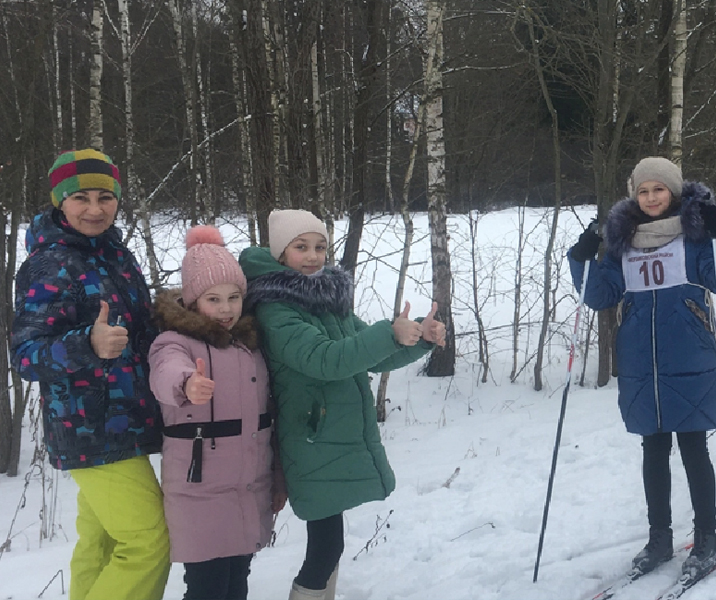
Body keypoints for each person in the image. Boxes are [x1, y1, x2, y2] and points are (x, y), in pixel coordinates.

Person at [239, 209, 447, 600]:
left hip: (329, 439)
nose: (314, 256)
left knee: (328, 544)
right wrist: (390, 333)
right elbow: (328, 359)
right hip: (309, 439)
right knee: (326, 546)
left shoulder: (327, 301)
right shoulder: (275, 310)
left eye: (320, 246)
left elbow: (372, 355)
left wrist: (416, 336)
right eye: (301, 247)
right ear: (280, 253)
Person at [567, 157, 716, 579]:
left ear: (674, 192)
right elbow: (599, 296)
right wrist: (582, 259)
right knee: (653, 451)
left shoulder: (694, 235)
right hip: (639, 364)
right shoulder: (622, 242)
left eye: (658, 190)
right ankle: (660, 538)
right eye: (643, 190)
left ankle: (706, 539)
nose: (650, 198)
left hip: (689, 356)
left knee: (693, 450)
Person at [11, 149, 170, 600]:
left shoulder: (114, 254)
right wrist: (87, 344)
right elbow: (25, 355)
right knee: (148, 540)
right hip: (90, 427)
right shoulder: (50, 263)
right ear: (60, 201)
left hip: (125, 419)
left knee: (101, 542)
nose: (95, 209)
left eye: (106, 197)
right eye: (81, 198)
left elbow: (138, 332)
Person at [148, 225, 287, 600]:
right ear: (193, 301)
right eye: (214, 299)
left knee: (237, 578)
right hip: (200, 490)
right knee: (207, 586)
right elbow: (164, 372)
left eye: (233, 297)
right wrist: (186, 384)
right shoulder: (174, 341)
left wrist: (277, 477)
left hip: (249, 486)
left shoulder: (250, 345)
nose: (226, 309)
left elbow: (266, 419)